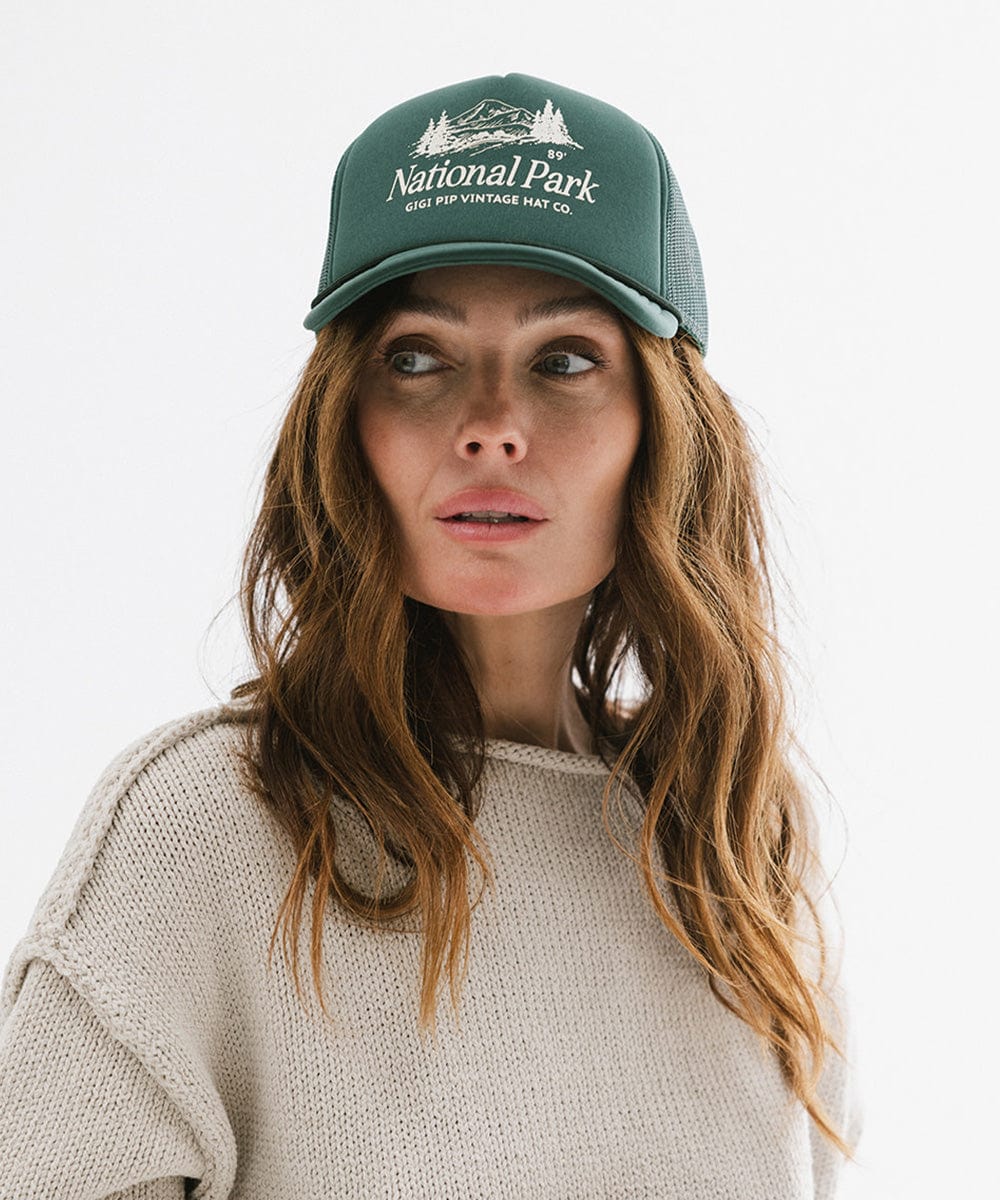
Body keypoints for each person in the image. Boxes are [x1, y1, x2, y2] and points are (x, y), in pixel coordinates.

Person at [0, 73, 863, 1198]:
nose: (490, 427)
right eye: (416, 357)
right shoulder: (202, 833)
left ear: (663, 430)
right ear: (342, 420)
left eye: (564, 360)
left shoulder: (736, 844)